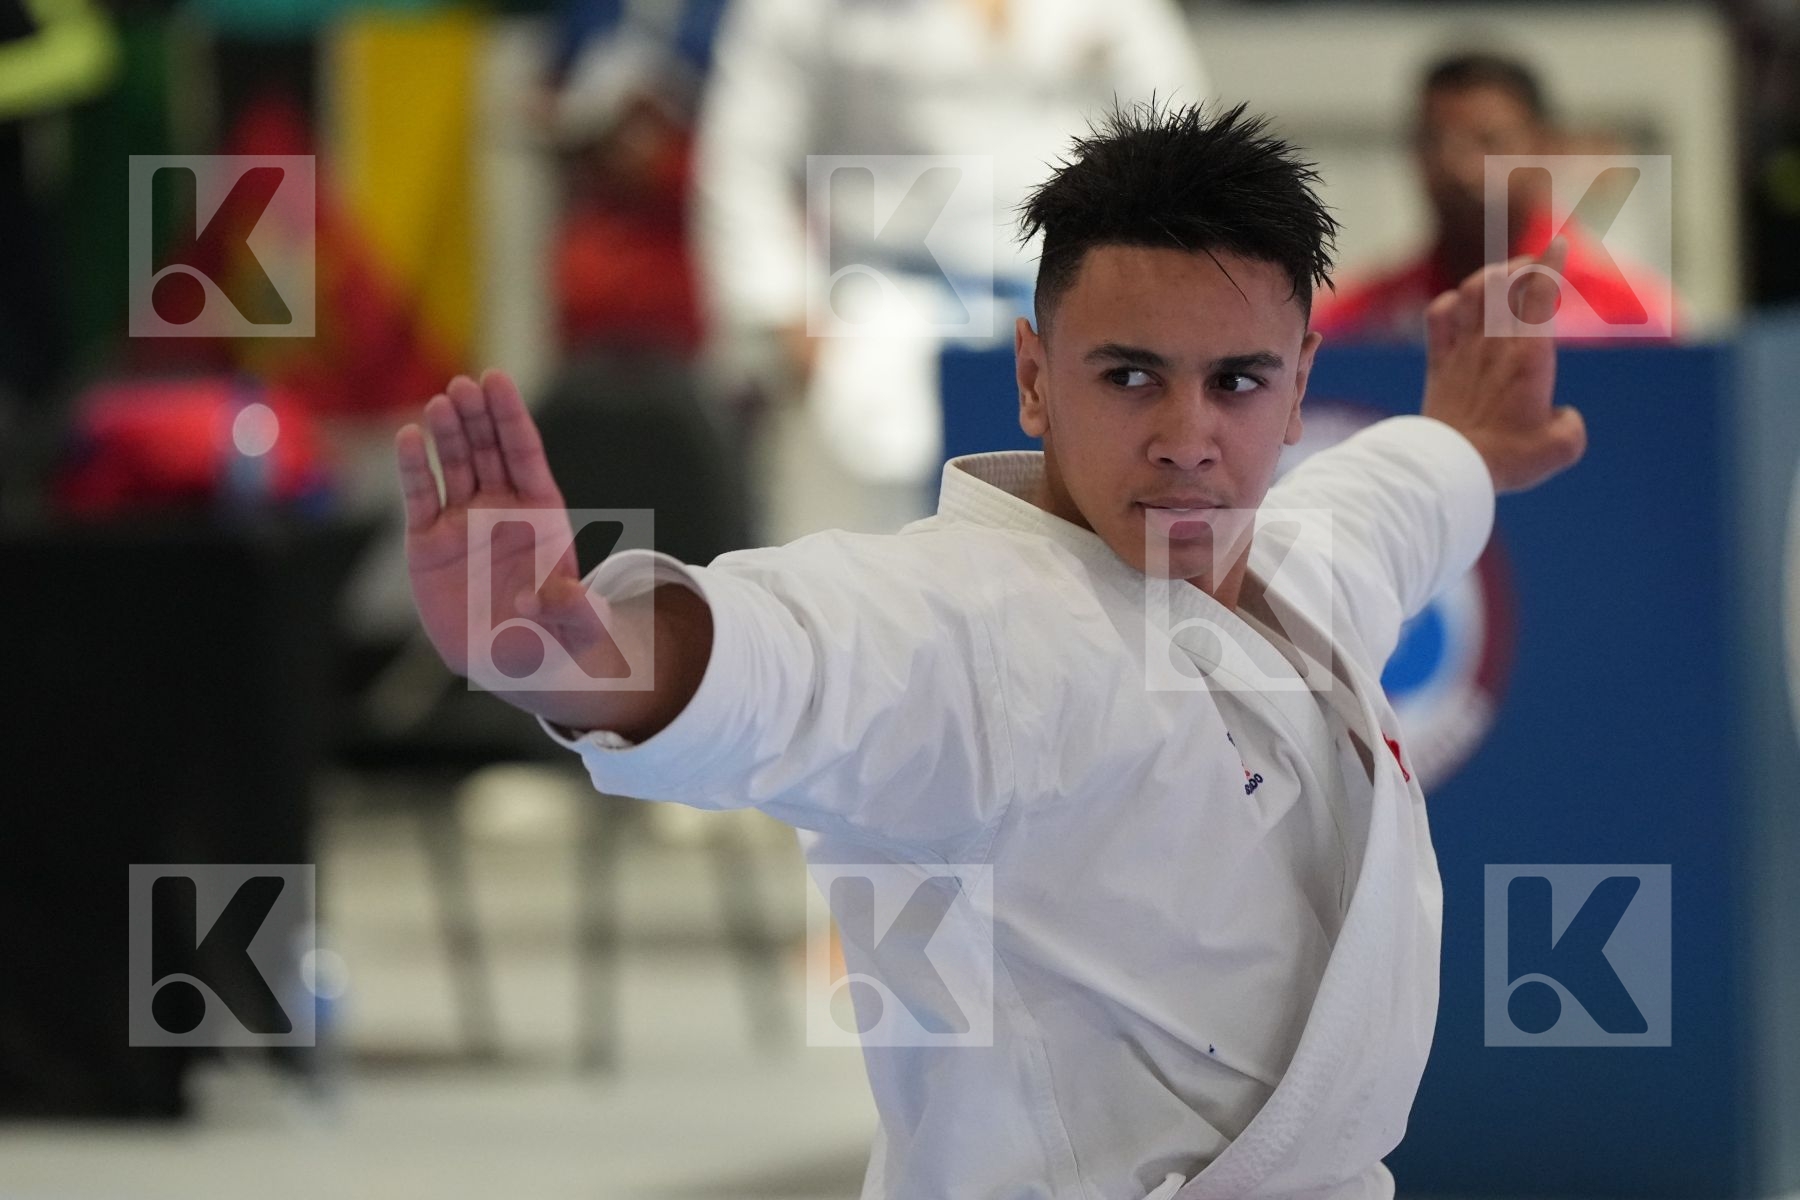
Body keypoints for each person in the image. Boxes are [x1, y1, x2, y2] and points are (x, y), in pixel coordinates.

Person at [395, 101, 1587, 1199]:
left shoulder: (1302, 571)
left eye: (1237, 381)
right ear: (1033, 378)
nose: (1189, 437)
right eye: (1130, 377)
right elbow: (795, 656)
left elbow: (1381, 505)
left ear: (1299, 384)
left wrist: (1464, 445)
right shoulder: (966, 625)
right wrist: (573, 655)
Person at [1313, 50, 1675, 342]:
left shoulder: (1631, 315)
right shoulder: (1350, 322)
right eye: (1436, 141)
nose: (1460, 167)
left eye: (1490, 143)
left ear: (1545, 149)